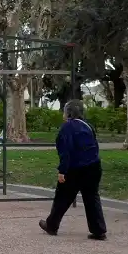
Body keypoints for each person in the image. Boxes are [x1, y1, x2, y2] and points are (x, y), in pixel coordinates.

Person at [39, 99, 108, 240]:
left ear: (68, 113)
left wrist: (62, 171)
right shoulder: (88, 126)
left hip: (75, 168)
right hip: (94, 166)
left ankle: (51, 225)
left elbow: (65, 152)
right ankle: (99, 230)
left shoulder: (67, 128)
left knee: (62, 197)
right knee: (92, 197)